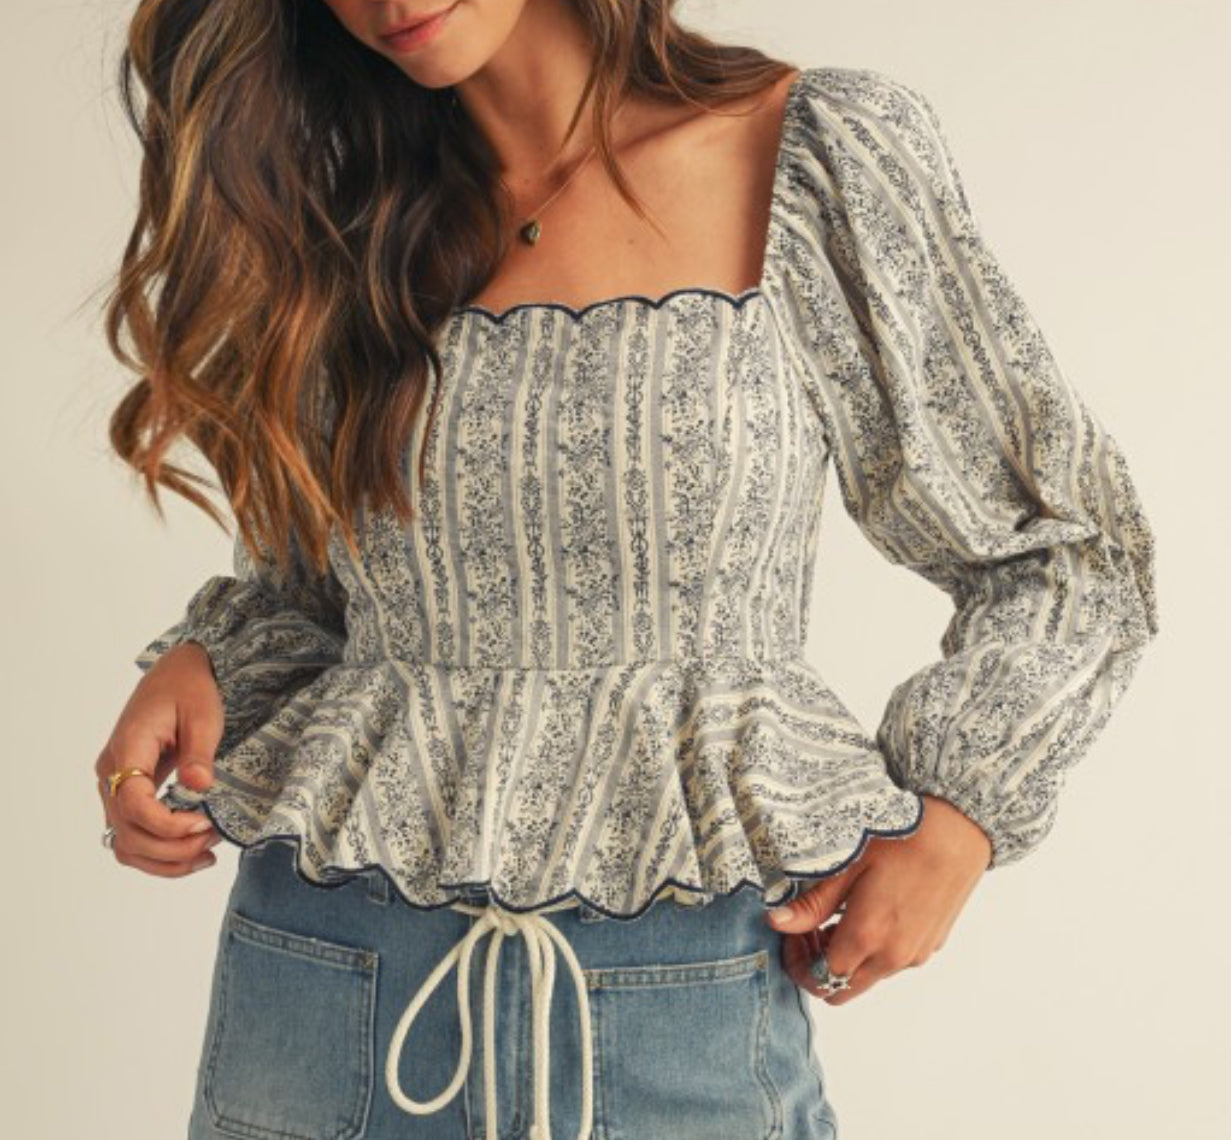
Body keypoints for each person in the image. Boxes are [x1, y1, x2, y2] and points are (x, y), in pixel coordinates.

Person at [95, 2, 1160, 1138]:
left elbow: (1066, 547)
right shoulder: (336, 212)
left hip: (677, 1001)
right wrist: (219, 664)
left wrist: (958, 815)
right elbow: (320, 589)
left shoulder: (811, 157)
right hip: (326, 989)